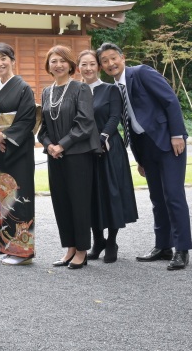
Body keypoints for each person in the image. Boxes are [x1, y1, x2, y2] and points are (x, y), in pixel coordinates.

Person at [97, 42, 192, 270]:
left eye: (113, 58)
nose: (111, 64)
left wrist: (177, 134)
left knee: (173, 196)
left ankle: (182, 249)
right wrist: (139, 159)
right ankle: (163, 246)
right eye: (105, 61)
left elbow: (170, 100)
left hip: (168, 142)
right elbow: (128, 123)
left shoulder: (141, 73)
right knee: (157, 199)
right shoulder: (114, 89)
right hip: (145, 149)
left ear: (123, 57)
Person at [38, 45, 101, 270]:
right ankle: (70, 247)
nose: (58, 64)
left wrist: (62, 145)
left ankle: (82, 250)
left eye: (63, 60)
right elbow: (42, 128)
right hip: (55, 156)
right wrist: (50, 146)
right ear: (48, 66)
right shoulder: (46, 92)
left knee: (79, 202)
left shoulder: (80, 89)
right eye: (53, 61)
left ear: (70, 64)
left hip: (77, 154)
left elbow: (85, 122)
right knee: (61, 202)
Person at [77, 50, 138, 263]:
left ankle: (111, 241)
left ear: (99, 67)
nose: (88, 68)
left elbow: (114, 117)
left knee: (111, 194)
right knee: (91, 196)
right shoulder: (77, 90)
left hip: (109, 148)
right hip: (85, 151)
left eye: (92, 64)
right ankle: (98, 241)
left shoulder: (110, 89)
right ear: (78, 68)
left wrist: (103, 136)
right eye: (84, 64)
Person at [0, 43, 38, 266]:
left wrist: (4, 137)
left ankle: (23, 251)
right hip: (0, 152)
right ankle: (7, 246)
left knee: (20, 199)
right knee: (3, 201)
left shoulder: (23, 88)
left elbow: (27, 120)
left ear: (13, 60)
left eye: (3, 58)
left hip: (18, 151)